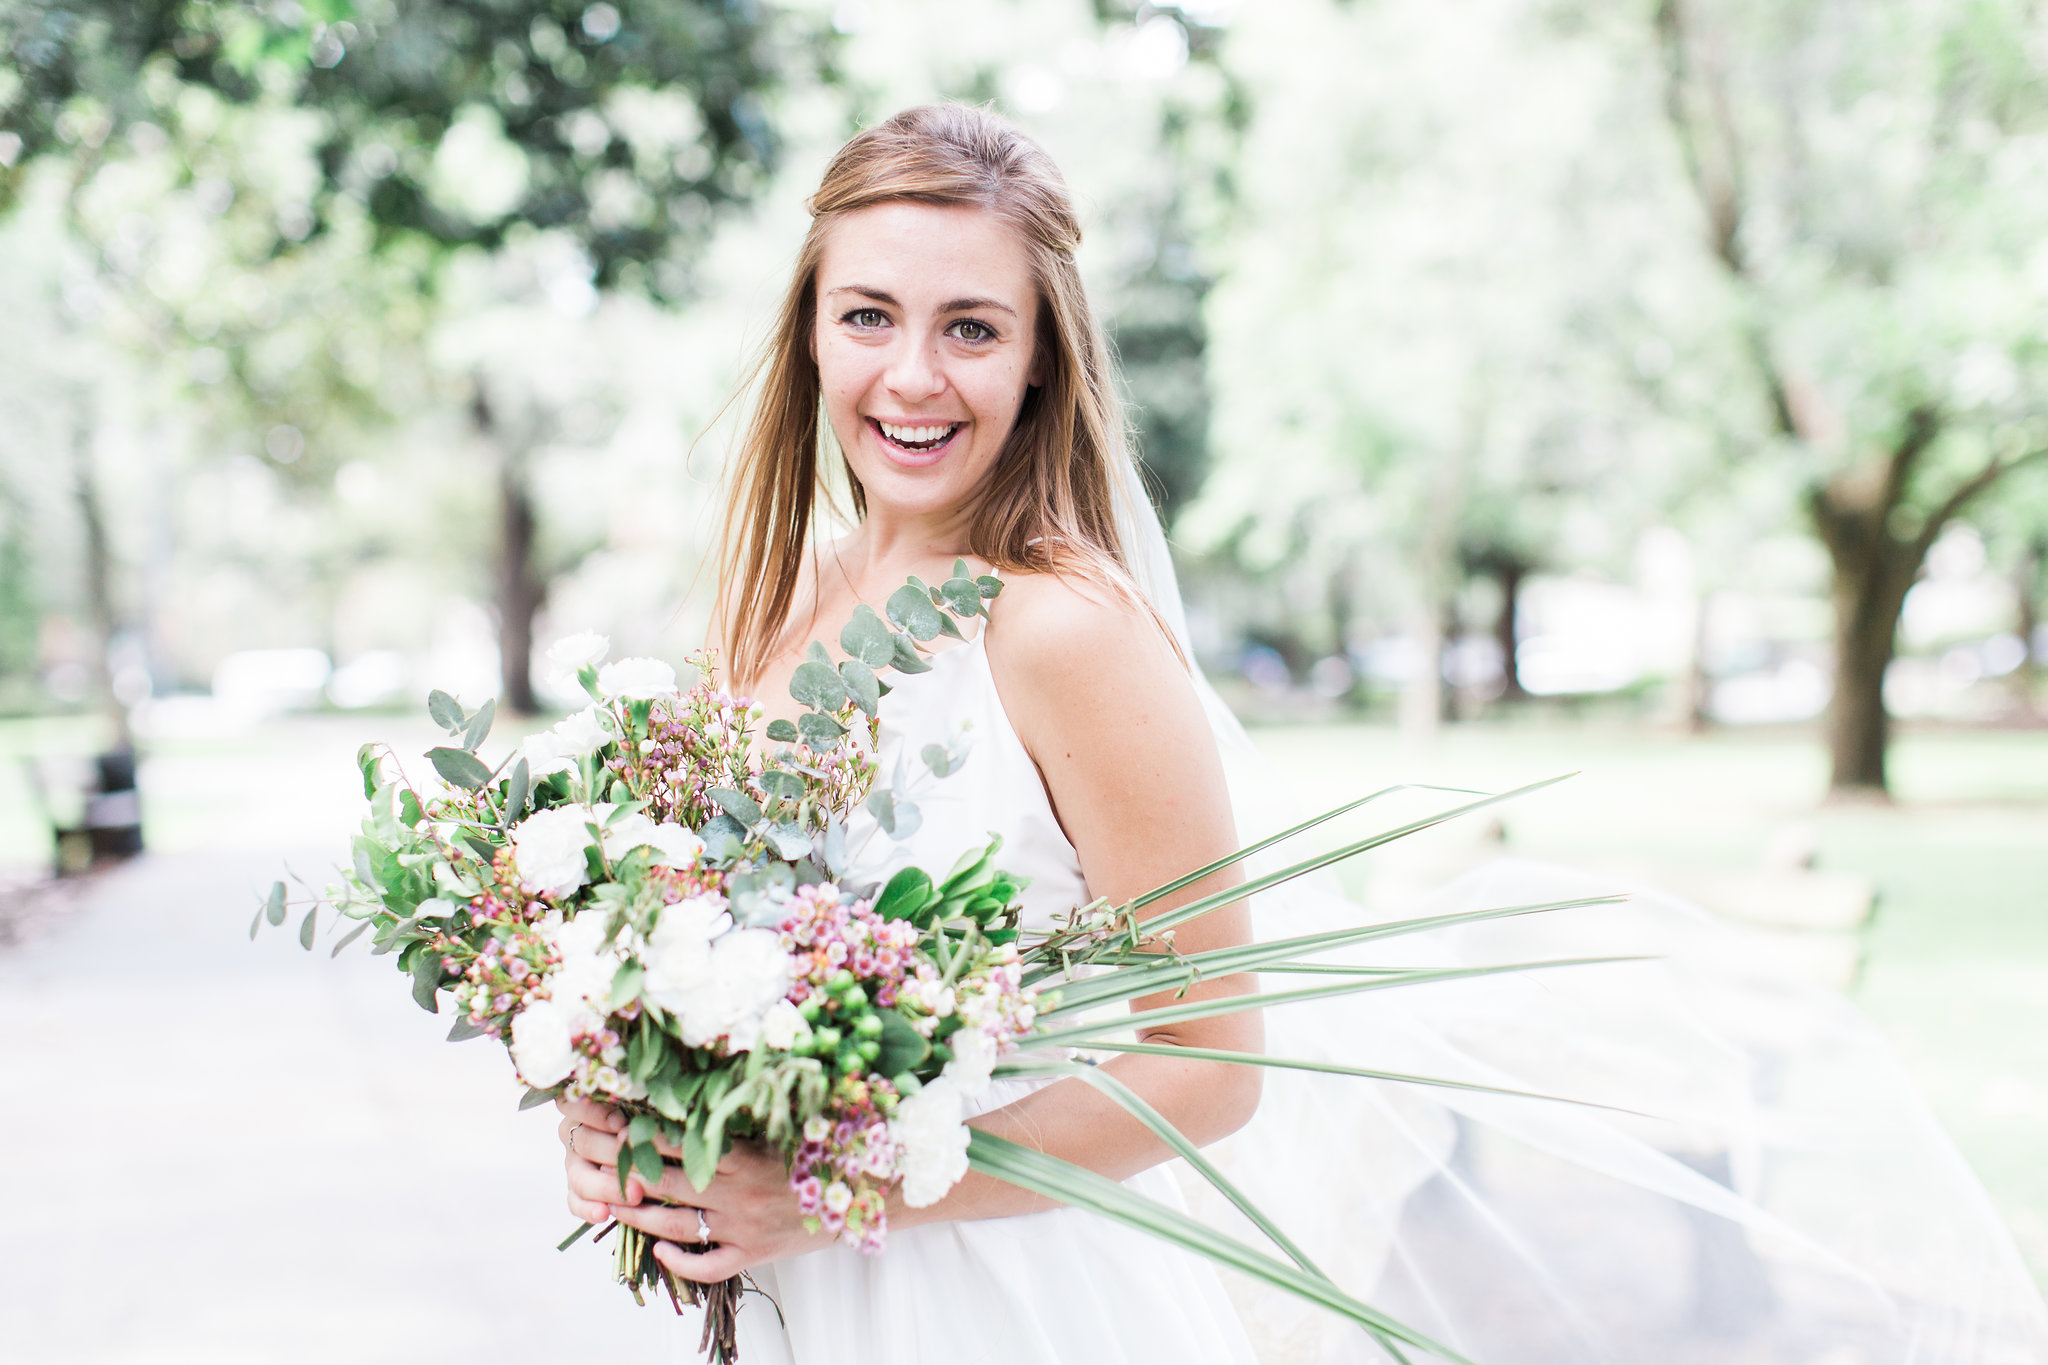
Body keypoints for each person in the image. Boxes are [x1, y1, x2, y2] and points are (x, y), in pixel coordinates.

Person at [552, 105, 2048, 1364]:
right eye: (869, 313)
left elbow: (1209, 1066)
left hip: (985, 1297)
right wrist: (624, 1112)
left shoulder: (1063, 630)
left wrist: (839, 1194)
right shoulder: (784, 607)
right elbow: (693, 948)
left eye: (973, 327)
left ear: (1040, 361)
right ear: (811, 327)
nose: (915, 374)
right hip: (784, 1298)